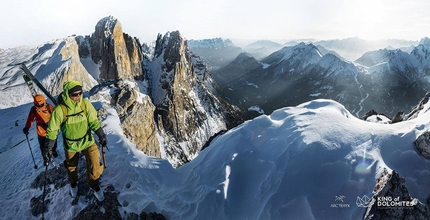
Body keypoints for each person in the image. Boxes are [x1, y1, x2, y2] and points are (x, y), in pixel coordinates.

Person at [44, 80, 107, 202]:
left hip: (87, 141)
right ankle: (73, 184)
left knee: (96, 165)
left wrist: (101, 135)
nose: (78, 96)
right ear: (68, 94)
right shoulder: (60, 110)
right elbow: (52, 130)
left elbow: (93, 121)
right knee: (71, 167)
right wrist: (49, 148)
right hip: (71, 145)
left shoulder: (85, 104)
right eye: (74, 94)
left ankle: (94, 185)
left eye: (80, 93)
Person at [23, 94, 58, 163]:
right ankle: (46, 158)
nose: (39, 106)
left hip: (50, 130)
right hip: (43, 131)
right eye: (38, 105)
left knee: (53, 144)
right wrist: (27, 127)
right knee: (43, 147)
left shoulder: (49, 107)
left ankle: (53, 151)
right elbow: (30, 119)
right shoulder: (34, 109)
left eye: (40, 104)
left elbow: (57, 117)